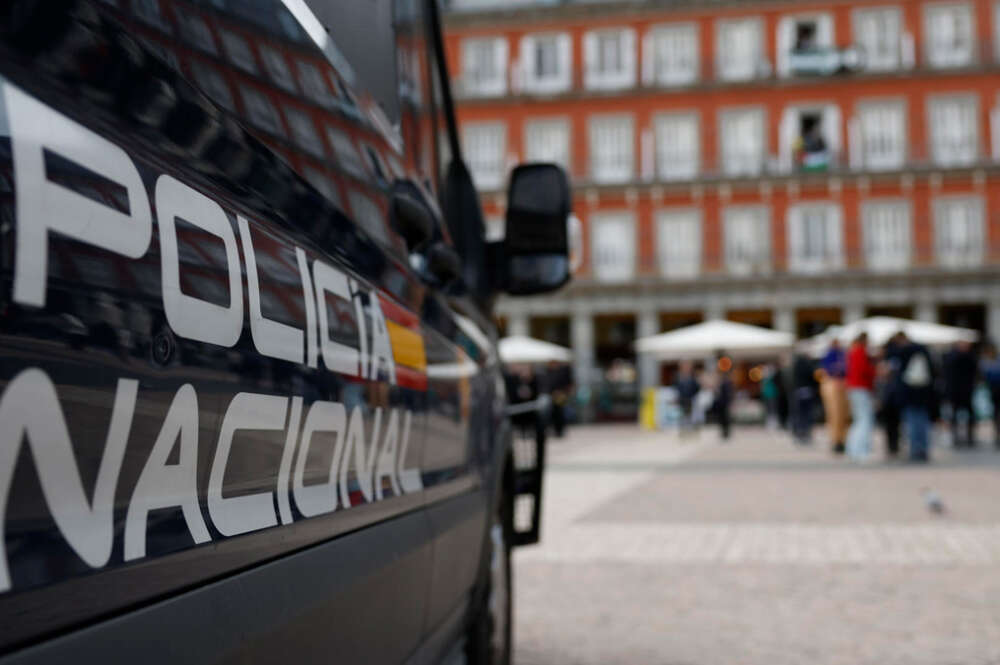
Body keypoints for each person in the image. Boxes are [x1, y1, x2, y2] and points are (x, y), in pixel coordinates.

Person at [894, 332, 938, 462]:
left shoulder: (904, 351)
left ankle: (914, 449)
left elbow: (899, 373)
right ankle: (924, 449)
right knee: (923, 421)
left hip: (909, 392)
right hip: (924, 392)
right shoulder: (924, 350)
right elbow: (933, 372)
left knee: (912, 421)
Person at [845, 332, 876, 461]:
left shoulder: (852, 352)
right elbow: (864, 370)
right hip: (861, 387)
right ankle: (860, 450)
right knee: (865, 420)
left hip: (854, 387)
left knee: (858, 420)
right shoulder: (860, 352)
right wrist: (876, 370)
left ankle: (852, 449)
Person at [942, 341, 979, 448]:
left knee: (969, 414)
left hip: (967, 390)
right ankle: (956, 437)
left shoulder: (970, 357)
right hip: (956, 391)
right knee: (954, 414)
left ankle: (970, 437)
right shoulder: (952, 357)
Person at [879, 332, 905, 458]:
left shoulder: (890, 357)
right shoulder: (898, 355)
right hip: (894, 395)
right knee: (894, 423)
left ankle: (892, 446)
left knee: (891, 423)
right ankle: (893, 446)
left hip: (890, 395)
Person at [819, 339, 848, 454]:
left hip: (841, 385)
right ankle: (836, 440)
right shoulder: (830, 354)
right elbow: (829, 369)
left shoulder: (841, 354)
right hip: (834, 385)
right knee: (834, 414)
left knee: (842, 415)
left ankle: (841, 439)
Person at [790, 353, 817, 444]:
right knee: (807, 413)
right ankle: (806, 432)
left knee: (800, 413)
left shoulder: (795, 366)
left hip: (798, 391)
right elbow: (812, 376)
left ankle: (800, 432)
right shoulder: (808, 366)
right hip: (807, 390)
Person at [674, 361, 701, 436]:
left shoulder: (693, 377)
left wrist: (693, 396)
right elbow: (676, 387)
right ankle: (684, 431)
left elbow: (697, 387)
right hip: (682, 399)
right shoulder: (679, 377)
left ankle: (690, 432)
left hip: (690, 399)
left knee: (691, 416)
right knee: (682, 416)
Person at [982, 343, 1000, 448]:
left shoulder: (989, 363)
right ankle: (997, 435)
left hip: (995, 391)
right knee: (995, 414)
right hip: (994, 391)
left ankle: (997, 435)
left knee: (996, 414)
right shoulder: (987, 362)